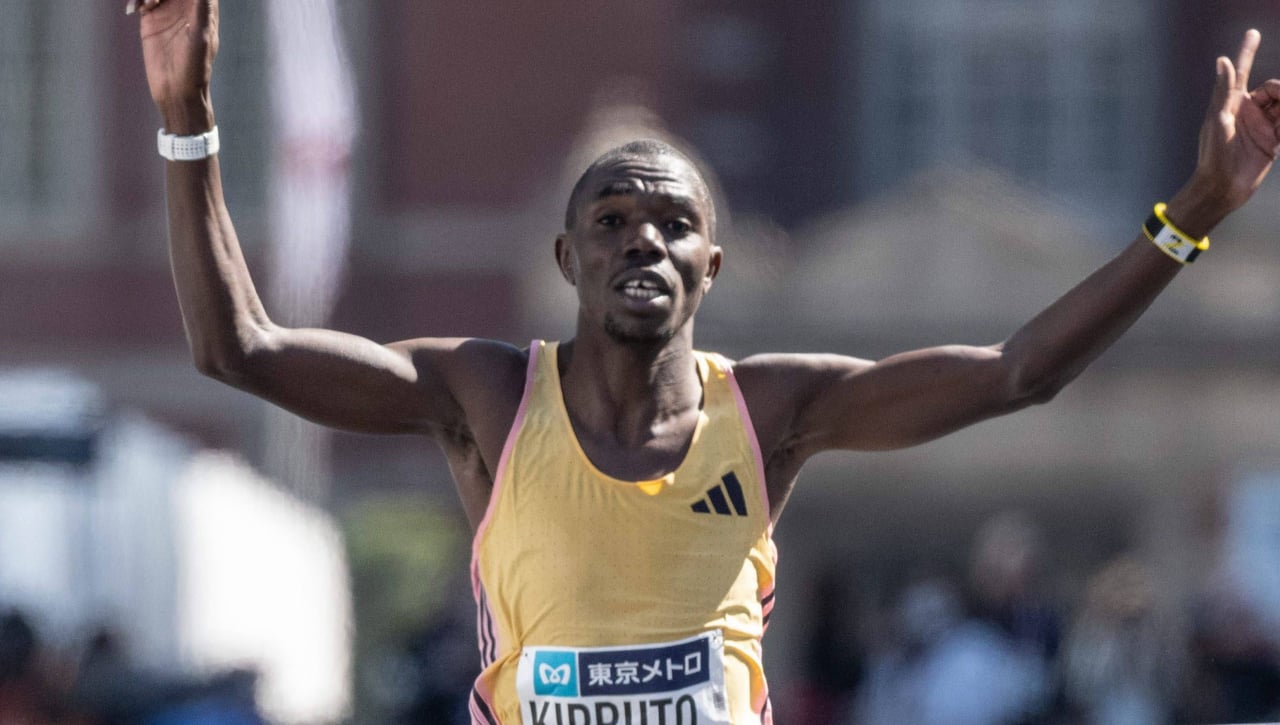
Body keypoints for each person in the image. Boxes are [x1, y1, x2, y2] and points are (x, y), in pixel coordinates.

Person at [130, 0, 1280, 722]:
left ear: (711, 265)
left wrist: (1191, 211)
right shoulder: (486, 393)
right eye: (612, 221)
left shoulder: (773, 408)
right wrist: (187, 117)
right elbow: (239, 347)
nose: (643, 239)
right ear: (565, 258)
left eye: (672, 223)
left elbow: (1018, 368)